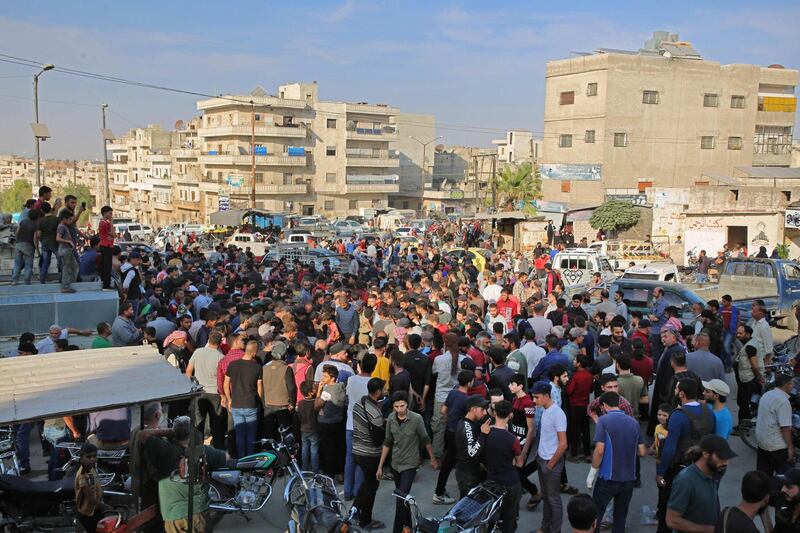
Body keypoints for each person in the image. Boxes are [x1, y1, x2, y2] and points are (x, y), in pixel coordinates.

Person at [657, 379, 716, 533]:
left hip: (680, 467)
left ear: (682, 393)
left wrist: (661, 472)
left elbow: (670, 448)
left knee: (668, 506)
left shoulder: (678, 415)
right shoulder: (708, 411)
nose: (675, 391)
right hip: (702, 466)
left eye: (677, 389)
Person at [377, 391, 439, 533]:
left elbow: (425, 439)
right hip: (395, 464)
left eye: (402, 406)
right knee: (403, 499)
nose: (399, 409)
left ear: (407, 404)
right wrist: (380, 466)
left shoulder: (416, 419)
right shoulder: (391, 419)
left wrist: (433, 458)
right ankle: (409, 528)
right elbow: (387, 442)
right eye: (396, 406)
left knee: (400, 500)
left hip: (410, 465)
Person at [586, 391, 646, 533]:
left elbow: (599, 450)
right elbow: (642, 452)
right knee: (620, 517)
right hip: (628, 480)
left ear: (604, 406)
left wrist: (591, 474)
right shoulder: (634, 422)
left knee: (596, 515)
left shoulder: (604, 421)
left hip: (608, 479)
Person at [666, 434, 737, 532]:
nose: (726, 462)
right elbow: (671, 520)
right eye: (721, 457)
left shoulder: (714, 472)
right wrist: (707, 530)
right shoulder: (685, 480)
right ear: (706, 454)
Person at [532, 380, 568, 533]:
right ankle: (544, 528)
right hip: (542, 459)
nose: (534, 400)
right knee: (546, 497)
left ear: (546, 396)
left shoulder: (558, 414)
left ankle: (555, 530)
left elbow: (563, 444)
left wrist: (550, 465)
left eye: (537, 397)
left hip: (550, 462)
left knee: (553, 500)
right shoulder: (545, 410)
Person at [352, 378, 387, 531]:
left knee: (366, 483)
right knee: (372, 486)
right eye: (383, 389)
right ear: (378, 392)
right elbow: (378, 439)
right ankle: (365, 520)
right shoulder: (376, 413)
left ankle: (355, 510)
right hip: (370, 454)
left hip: (356, 450)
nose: (384, 392)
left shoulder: (359, 403)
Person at [434, 369, 472, 505]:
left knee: (448, 461)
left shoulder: (453, 393)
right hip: (459, 434)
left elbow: (443, 410)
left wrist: (449, 421)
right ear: (469, 382)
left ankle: (440, 490)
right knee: (455, 463)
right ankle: (439, 492)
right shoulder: (467, 400)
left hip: (449, 430)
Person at [484, 400, 523, 533]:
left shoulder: (485, 433)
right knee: (509, 517)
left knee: (491, 515)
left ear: (494, 413)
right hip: (510, 481)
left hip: (491, 480)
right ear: (510, 415)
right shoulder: (512, 440)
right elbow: (520, 462)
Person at [185, 331, 226, 449]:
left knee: (199, 421)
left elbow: (189, 370)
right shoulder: (220, 357)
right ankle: (217, 448)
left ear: (208, 339)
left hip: (199, 391)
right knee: (217, 421)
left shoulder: (198, 352)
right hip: (215, 393)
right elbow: (222, 377)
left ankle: (197, 447)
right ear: (219, 343)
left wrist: (191, 387)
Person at [224, 340, 263, 458]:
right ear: (254, 353)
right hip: (251, 404)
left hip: (236, 403)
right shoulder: (257, 367)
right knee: (251, 435)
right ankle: (250, 460)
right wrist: (258, 401)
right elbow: (259, 387)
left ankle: (241, 460)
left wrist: (229, 399)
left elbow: (226, 384)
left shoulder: (232, 365)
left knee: (240, 435)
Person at [755, 372, 795, 476]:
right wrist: (790, 448)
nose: (793, 386)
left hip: (762, 441)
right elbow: (785, 428)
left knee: (763, 476)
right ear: (786, 385)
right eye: (792, 383)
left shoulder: (767, 394)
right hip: (775, 446)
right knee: (788, 476)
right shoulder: (783, 402)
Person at [454, 394, 491, 498]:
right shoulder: (467, 427)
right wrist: (483, 435)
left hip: (469, 472)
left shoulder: (468, 424)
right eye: (482, 409)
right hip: (468, 476)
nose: (485, 412)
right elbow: (472, 453)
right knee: (466, 509)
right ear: (473, 409)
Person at [74, 442, 109, 533]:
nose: (92, 459)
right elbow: (91, 499)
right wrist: (107, 507)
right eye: (88, 457)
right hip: (88, 513)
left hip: (95, 509)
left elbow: (96, 486)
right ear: (81, 459)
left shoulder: (91, 469)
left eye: (94, 456)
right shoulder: (82, 476)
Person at [733, 324, 764, 426]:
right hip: (747, 378)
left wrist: (758, 376)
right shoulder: (750, 343)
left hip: (748, 379)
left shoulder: (750, 346)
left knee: (745, 403)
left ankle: (744, 426)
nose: (738, 335)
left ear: (748, 334)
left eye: (740, 333)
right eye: (737, 333)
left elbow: (754, 365)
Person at [10, 208, 39, 285]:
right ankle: (27, 281)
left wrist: (16, 241)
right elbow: (35, 239)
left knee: (17, 263)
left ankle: (14, 280)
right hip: (29, 246)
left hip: (19, 244)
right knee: (28, 265)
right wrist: (37, 250)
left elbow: (17, 232)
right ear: (37, 217)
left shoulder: (22, 222)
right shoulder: (35, 226)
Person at [297, 381, 320, 472]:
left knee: (304, 449)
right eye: (314, 388)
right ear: (311, 392)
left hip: (303, 429)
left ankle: (305, 468)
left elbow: (299, 416)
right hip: (314, 429)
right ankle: (315, 470)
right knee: (314, 450)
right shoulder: (315, 403)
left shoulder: (300, 403)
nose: (315, 389)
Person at [770, 467, 800, 532]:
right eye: (783, 485)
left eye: (789, 487)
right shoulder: (782, 496)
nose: (783, 489)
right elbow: (760, 495)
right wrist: (768, 526)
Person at [98, 206, 114, 289]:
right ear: (105, 213)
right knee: (107, 266)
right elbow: (113, 234)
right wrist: (111, 222)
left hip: (104, 245)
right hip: (107, 246)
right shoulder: (105, 223)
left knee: (105, 265)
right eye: (110, 213)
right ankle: (106, 284)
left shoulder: (102, 222)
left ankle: (105, 282)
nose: (111, 215)